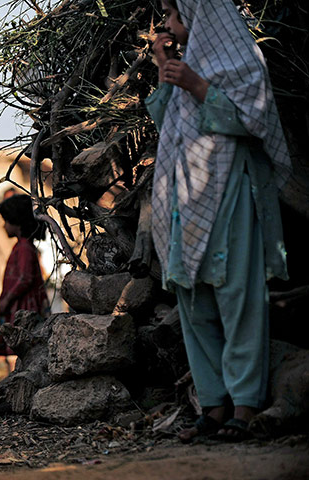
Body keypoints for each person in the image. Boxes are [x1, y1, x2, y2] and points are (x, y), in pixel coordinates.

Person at [146, 0, 291, 442]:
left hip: (227, 188)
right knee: (193, 300)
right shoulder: (189, 61)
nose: (168, 25)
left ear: (198, 14)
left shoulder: (243, 61)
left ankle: (245, 407)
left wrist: (195, 84)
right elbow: (165, 120)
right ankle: (213, 405)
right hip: (184, 196)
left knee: (238, 295)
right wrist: (166, 69)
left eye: (173, 15)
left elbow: (254, 118)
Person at [0, 195, 49, 360]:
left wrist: (6, 300)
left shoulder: (24, 248)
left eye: (6, 221)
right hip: (21, 302)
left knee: (21, 346)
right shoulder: (23, 246)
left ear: (16, 222)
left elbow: (25, 278)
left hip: (23, 305)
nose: (3, 226)